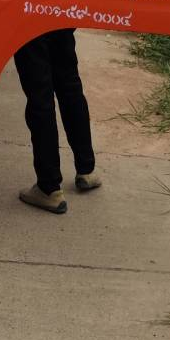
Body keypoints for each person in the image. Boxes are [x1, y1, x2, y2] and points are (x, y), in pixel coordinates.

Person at [14, 29, 101, 213]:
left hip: (26, 13)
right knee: (70, 84)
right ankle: (86, 169)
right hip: (59, 9)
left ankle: (48, 187)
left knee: (40, 98)